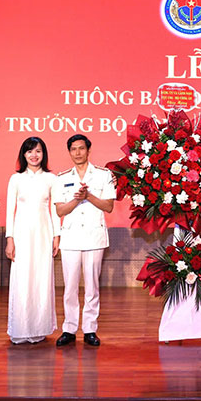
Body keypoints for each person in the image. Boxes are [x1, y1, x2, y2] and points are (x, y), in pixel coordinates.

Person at [54, 134, 116, 347]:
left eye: (81, 148)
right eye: (73, 149)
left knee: (92, 286)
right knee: (70, 286)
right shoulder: (61, 178)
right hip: (70, 238)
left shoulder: (103, 175)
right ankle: (69, 329)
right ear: (69, 152)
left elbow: (108, 206)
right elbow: (60, 209)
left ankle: (90, 329)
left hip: (94, 237)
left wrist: (88, 196)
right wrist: (76, 199)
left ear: (88, 150)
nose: (77, 152)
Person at [5, 136, 61, 344]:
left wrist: (57, 235)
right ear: (24, 154)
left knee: (41, 279)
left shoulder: (51, 179)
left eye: (38, 151)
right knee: (21, 279)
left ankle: (39, 328)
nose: (34, 155)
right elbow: (10, 211)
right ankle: (19, 328)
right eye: (30, 151)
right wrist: (10, 239)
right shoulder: (16, 179)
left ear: (43, 153)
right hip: (21, 234)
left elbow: (55, 210)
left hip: (43, 233)